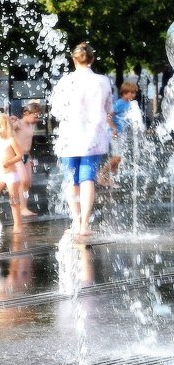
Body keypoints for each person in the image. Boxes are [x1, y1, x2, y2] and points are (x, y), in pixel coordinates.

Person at [48, 42, 113, 240]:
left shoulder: (65, 82)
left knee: (71, 179)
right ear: (92, 59)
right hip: (93, 137)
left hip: (69, 137)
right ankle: (85, 224)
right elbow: (108, 108)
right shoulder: (103, 81)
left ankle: (76, 221)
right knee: (87, 179)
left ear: (73, 59)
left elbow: (56, 110)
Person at [106, 81, 139, 182]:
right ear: (124, 93)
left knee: (118, 158)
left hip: (120, 133)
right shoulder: (119, 103)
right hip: (114, 133)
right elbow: (108, 116)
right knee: (117, 157)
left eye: (134, 93)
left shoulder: (129, 103)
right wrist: (114, 128)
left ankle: (111, 179)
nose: (134, 95)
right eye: (131, 92)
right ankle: (101, 174)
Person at [14, 103, 43, 217]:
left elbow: (27, 143)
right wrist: (9, 120)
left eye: (38, 117)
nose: (37, 119)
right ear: (26, 113)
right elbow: (8, 133)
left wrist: (29, 157)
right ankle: (20, 208)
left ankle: (23, 207)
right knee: (23, 180)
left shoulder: (31, 126)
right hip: (17, 156)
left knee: (27, 182)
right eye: (35, 116)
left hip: (26, 156)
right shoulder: (18, 124)